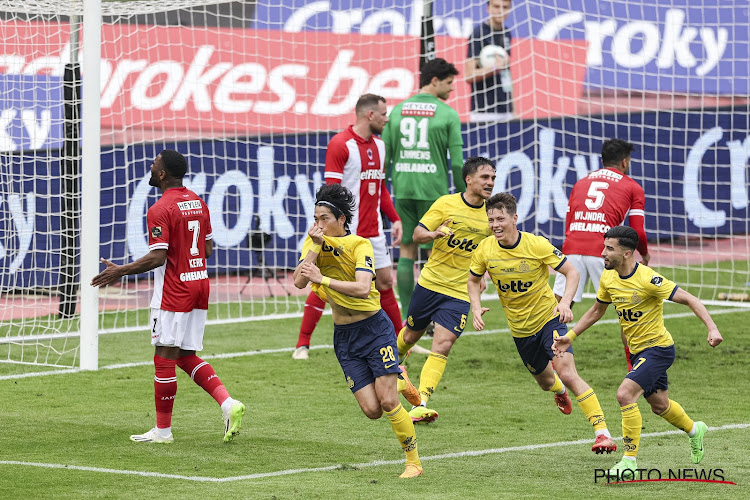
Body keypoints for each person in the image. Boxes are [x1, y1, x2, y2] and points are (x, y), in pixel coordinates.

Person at [91, 150, 245, 444]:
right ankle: (228, 404)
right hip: (199, 283)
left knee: (163, 357)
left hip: (174, 290)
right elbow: (208, 250)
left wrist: (120, 271)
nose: (150, 168)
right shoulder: (198, 202)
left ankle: (162, 432)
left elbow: (158, 257)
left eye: (154, 165)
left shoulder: (160, 208)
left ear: (162, 174)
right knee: (185, 355)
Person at [552, 225, 723, 477]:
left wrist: (712, 328)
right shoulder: (609, 277)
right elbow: (597, 310)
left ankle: (629, 462)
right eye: (604, 247)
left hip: (658, 350)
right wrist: (570, 336)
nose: (603, 253)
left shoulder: (648, 279)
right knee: (660, 405)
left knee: (625, 394)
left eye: (610, 249)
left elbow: (689, 298)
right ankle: (695, 430)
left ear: (628, 253)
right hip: (637, 352)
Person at [467, 192, 617, 454]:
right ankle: (559, 391)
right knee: (547, 383)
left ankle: (602, 432)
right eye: (491, 220)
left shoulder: (536, 244)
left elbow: (572, 271)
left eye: (500, 218)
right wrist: (476, 307)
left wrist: (565, 303)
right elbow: (472, 280)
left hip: (549, 321)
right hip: (521, 332)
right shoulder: (485, 249)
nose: (495, 225)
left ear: (515, 218)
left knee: (568, 372)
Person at [293, 184, 423, 478]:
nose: (318, 224)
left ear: (341, 220)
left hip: (374, 329)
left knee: (388, 402)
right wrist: (313, 250)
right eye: (315, 218)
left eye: (324, 218)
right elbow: (299, 282)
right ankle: (400, 379)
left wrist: (323, 281)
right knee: (372, 410)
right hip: (345, 337)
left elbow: (364, 289)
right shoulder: (312, 242)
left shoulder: (360, 245)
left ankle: (413, 462)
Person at [293, 93, 403, 361]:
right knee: (325, 283)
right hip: (345, 233)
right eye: (384, 114)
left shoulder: (380, 146)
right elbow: (331, 194)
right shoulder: (340, 144)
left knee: (386, 281)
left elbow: (380, 189)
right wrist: (326, 225)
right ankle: (302, 344)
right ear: (370, 115)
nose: (387, 119)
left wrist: (395, 218)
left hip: (374, 230)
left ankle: (402, 343)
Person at [395, 157, 496, 424]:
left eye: (493, 178)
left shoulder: (492, 215)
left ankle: (422, 401)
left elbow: (491, 249)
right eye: (485, 177)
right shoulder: (445, 204)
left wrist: (482, 275)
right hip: (430, 283)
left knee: (443, 343)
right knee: (410, 335)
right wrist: (434, 234)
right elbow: (416, 235)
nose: (490, 183)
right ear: (469, 179)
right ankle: (392, 366)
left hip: (461, 291)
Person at [553, 138, 650, 371]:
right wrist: (644, 255)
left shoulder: (581, 183)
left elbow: (568, 221)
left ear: (602, 160)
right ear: (625, 162)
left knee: (558, 305)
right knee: (626, 310)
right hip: (606, 252)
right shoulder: (632, 187)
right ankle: (633, 365)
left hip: (573, 247)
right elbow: (637, 230)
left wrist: (572, 244)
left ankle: (550, 355)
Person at [382, 57, 466, 319]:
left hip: (404, 188)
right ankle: (433, 315)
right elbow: (458, 163)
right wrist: (464, 195)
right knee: (436, 253)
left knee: (406, 249)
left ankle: (409, 317)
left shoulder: (396, 111)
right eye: (450, 83)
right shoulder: (448, 114)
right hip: (434, 193)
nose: (452, 89)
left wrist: (383, 189)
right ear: (435, 81)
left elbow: (385, 155)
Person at [464, 0, 514, 122]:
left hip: (506, 110)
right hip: (484, 110)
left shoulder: (506, 33)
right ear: (488, 8)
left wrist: (513, 109)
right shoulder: (478, 34)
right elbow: (469, 75)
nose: (501, 11)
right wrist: (494, 69)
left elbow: (506, 72)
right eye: (496, 6)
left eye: (505, 7)